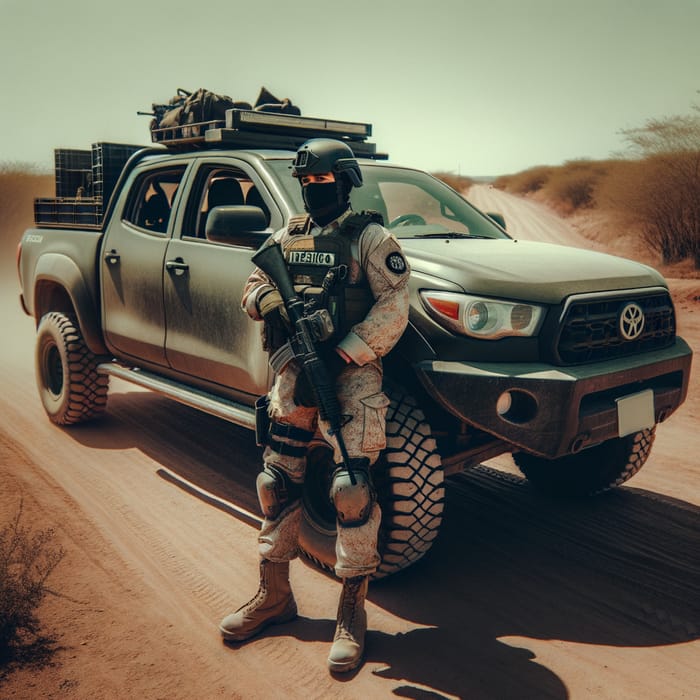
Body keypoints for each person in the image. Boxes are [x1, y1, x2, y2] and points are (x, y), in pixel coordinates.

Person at [219, 138, 411, 673]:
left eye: (323, 183)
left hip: (350, 375)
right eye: (306, 183)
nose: (313, 191)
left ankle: (352, 612)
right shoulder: (288, 235)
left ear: (346, 182)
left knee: (350, 490)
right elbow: (254, 283)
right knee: (274, 482)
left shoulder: (371, 237)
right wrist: (269, 299)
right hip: (293, 371)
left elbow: (397, 304)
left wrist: (345, 353)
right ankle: (274, 596)